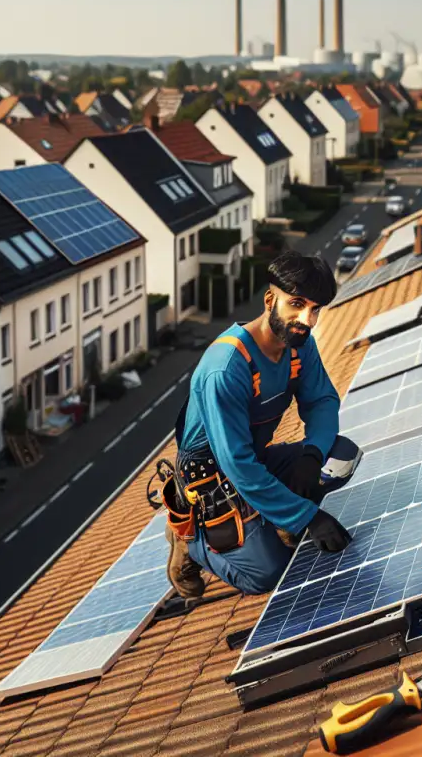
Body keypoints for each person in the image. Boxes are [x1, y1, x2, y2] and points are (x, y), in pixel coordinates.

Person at [163, 251, 361, 598]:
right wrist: (309, 518)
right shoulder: (226, 366)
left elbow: (322, 401)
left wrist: (312, 455)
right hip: (213, 479)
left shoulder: (299, 346)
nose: (307, 319)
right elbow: (235, 462)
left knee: (341, 455)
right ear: (270, 299)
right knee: (267, 575)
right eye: (296, 304)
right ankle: (190, 543)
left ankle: (278, 518)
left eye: (315, 309)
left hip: (253, 460)